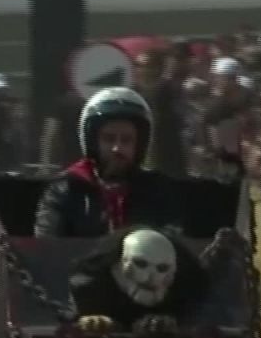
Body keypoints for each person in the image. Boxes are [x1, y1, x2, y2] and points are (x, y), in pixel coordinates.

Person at [33, 87, 180, 238]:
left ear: (139, 145)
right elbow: (48, 246)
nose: (117, 148)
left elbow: (172, 243)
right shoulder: (64, 190)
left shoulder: (158, 189)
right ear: (93, 142)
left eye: (126, 140)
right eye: (109, 139)